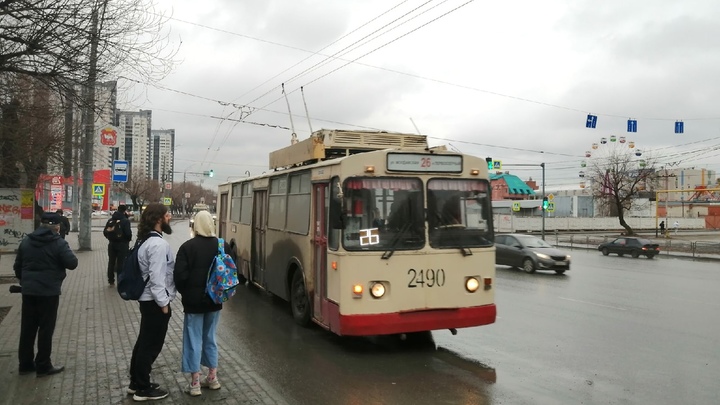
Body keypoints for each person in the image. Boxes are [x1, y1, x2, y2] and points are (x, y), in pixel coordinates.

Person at [14, 212, 78, 377]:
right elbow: (72, 263)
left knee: (27, 327)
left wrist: (25, 281)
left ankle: (25, 364)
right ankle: (43, 365)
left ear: (41, 225)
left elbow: (17, 265)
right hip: (49, 292)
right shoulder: (58, 243)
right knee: (45, 328)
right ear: (57, 227)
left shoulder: (27, 241)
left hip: (28, 292)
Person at [174, 211, 229, 396]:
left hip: (194, 303)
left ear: (195, 225)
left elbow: (179, 277)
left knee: (193, 339)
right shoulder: (222, 245)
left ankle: (195, 383)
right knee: (210, 337)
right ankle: (212, 378)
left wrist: (187, 293)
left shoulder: (187, 247)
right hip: (215, 301)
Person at [127, 203, 176, 401]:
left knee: (143, 342)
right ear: (158, 219)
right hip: (155, 302)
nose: (170, 217)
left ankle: (136, 382)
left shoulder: (146, 241)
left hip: (148, 300)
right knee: (151, 345)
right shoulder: (158, 245)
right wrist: (164, 304)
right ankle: (143, 389)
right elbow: (157, 278)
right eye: (167, 215)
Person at [106, 204, 133, 285]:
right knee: (121, 263)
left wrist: (111, 238)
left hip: (111, 244)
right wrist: (127, 240)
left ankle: (111, 279)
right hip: (122, 245)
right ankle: (120, 280)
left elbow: (105, 232)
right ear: (125, 211)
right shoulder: (125, 221)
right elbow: (128, 234)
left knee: (111, 262)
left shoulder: (111, 220)